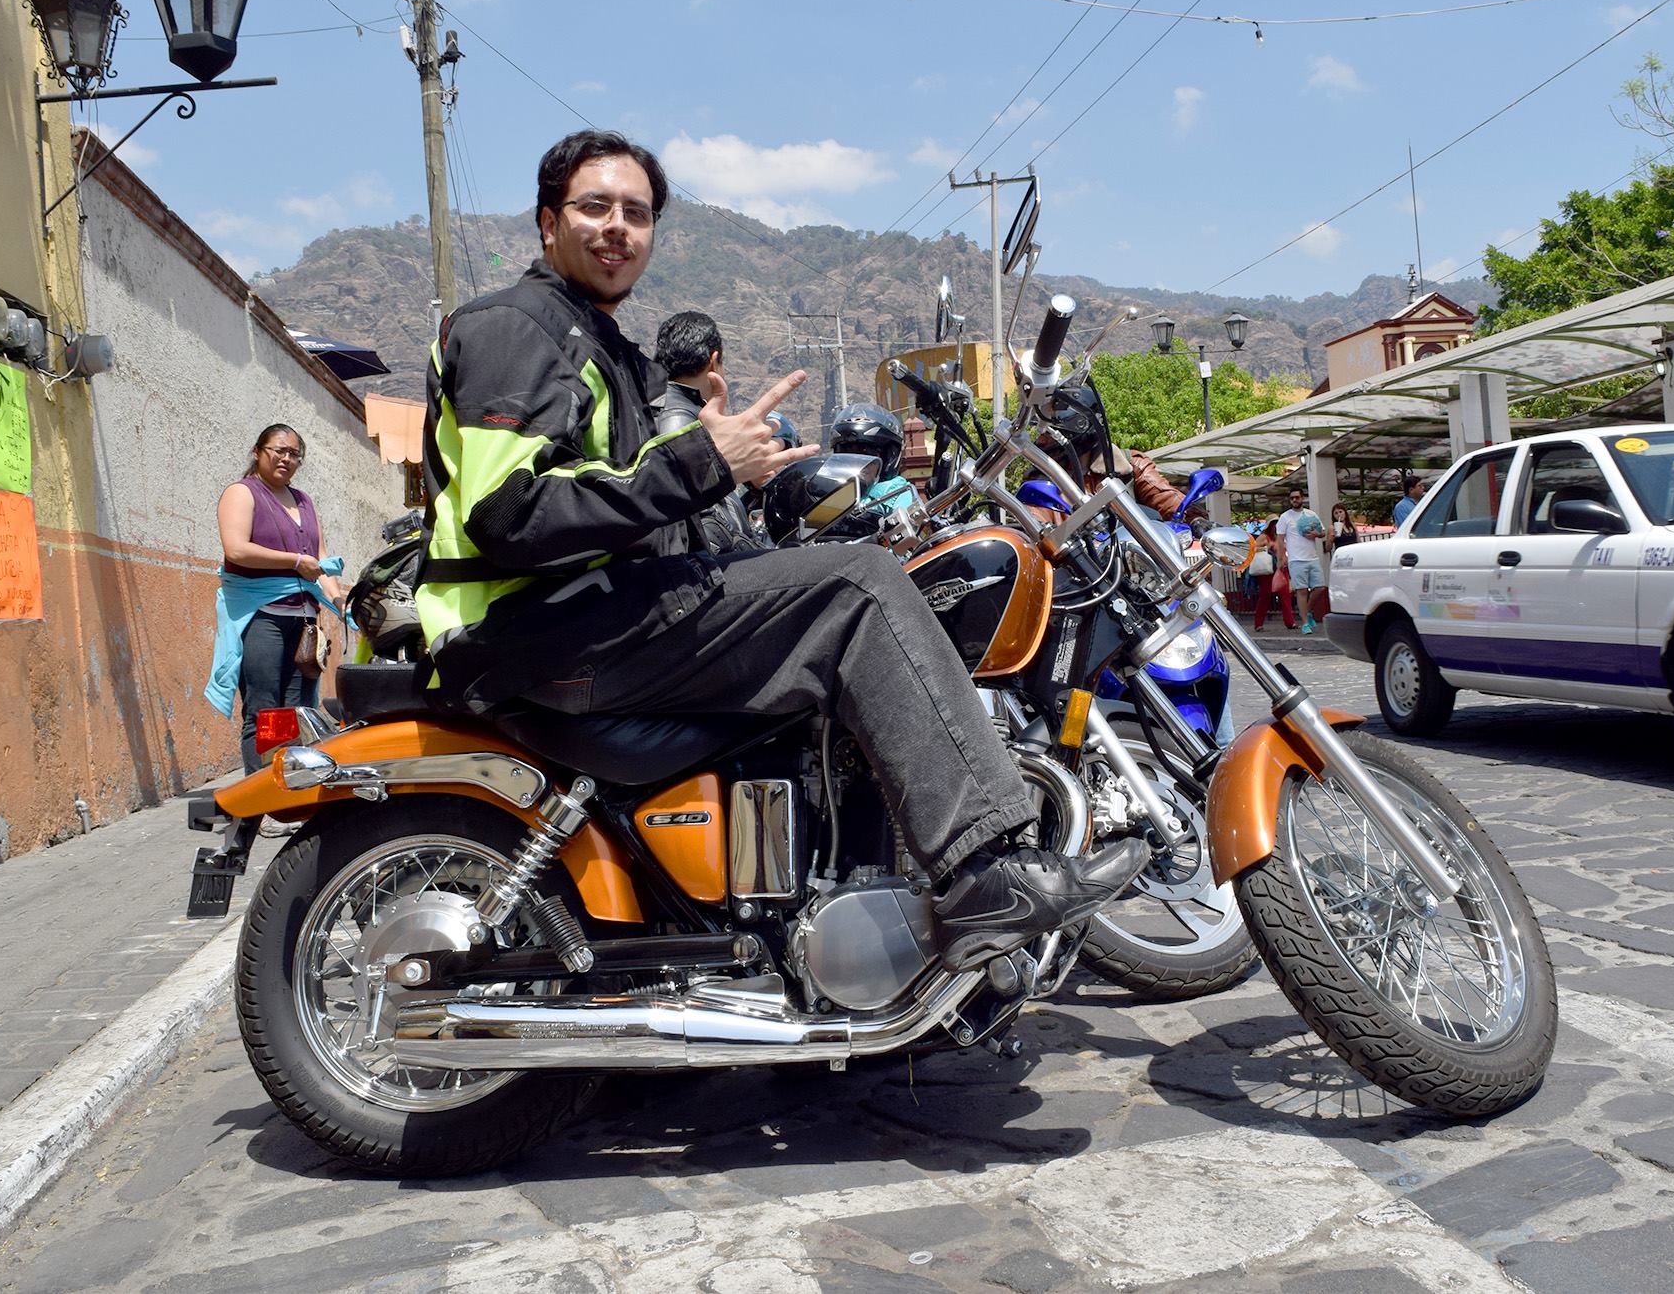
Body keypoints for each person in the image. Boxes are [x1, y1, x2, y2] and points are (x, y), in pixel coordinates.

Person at [414, 129, 1142, 971]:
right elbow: (509, 514)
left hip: (588, 613)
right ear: (548, 223)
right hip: (529, 627)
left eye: (637, 213)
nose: (617, 226)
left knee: (835, 581)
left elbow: (641, 496)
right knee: (860, 589)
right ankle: (983, 871)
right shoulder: (515, 328)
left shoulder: (598, 343)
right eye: (595, 207)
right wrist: (703, 463)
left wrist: (742, 490)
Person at [208, 423, 346, 774]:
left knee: (297, 713)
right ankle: (261, 795)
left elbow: (320, 558)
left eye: (294, 454)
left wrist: (339, 600)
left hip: (304, 623)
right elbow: (236, 549)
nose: (286, 458)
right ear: (258, 452)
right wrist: (295, 562)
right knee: (265, 712)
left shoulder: (304, 501)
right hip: (261, 618)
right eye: (278, 450)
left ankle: (291, 790)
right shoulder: (242, 492)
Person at [652, 310, 770, 554]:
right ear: (713, 361)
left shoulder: (662, 408)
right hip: (710, 569)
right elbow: (707, 528)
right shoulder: (679, 420)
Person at [828, 403, 917, 516]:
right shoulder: (831, 494)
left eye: (866, 453)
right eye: (847, 453)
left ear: (888, 458)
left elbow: (911, 520)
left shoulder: (897, 494)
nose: (857, 461)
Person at [1277, 488, 1326, 634]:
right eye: (1292, 498)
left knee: (1320, 587)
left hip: (1312, 557)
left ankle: (1307, 610)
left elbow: (1323, 532)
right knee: (1301, 590)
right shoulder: (1285, 517)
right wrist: (1282, 557)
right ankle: (1305, 623)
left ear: (1302, 498)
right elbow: (1280, 539)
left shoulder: (1311, 514)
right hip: (1296, 559)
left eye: (1297, 497)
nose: (1294, 500)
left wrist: (1316, 534)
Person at [1249, 518, 1296, 631]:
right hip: (1268, 570)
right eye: (1274, 524)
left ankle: (1290, 622)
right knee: (1265, 596)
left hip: (1281, 568)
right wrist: (1266, 547)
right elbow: (1253, 548)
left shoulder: (1281, 537)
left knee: (1285, 596)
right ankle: (1258, 623)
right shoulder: (1264, 537)